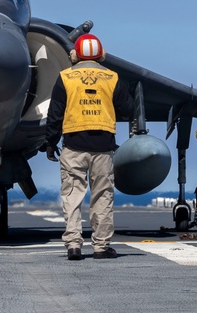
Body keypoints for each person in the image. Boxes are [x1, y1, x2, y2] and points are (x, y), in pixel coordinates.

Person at [45, 33, 134, 261]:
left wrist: (49, 143)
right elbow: (128, 109)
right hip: (102, 148)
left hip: (73, 147)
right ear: (100, 54)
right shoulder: (112, 78)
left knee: (72, 196)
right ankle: (101, 246)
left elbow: (55, 115)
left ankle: (74, 245)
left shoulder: (65, 77)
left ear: (76, 54)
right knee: (102, 196)